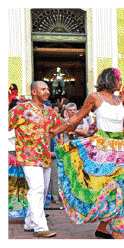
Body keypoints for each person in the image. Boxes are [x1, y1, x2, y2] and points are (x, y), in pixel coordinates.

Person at [51, 61, 124, 239]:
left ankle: (106, 228)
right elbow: (78, 117)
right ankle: (112, 229)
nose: (121, 82)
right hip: (100, 150)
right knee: (106, 187)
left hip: (119, 150)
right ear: (110, 80)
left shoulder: (120, 99)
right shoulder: (95, 97)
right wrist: (57, 131)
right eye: (119, 79)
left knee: (118, 184)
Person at [9, 81, 66, 238]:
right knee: (37, 189)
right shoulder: (21, 109)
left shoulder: (49, 112)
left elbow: (64, 124)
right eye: (43, 89)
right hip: (28, 156)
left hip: (45, 157)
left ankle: (29, 222)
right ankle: (40, 227)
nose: (48, 91)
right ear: (34, 92)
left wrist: (80, 124)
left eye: (48, 89)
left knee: (42, 191)